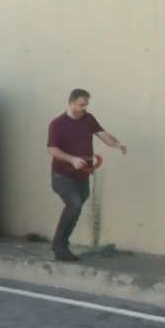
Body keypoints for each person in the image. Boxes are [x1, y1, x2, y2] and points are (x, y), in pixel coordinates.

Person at [46, 88, 127, 262]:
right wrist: (72, 160)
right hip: (62, 176)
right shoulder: (58, 124)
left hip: (82, 175)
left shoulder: (88, 119)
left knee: (79, 201)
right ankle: (59, 246)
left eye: (87, 104)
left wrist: (117, 144)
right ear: (71, 103)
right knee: (74, 204)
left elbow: (102, 134)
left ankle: (60, 243)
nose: (85, 108)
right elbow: (51, 149)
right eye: (82, 104)